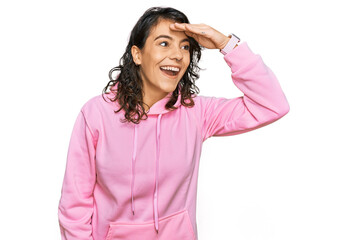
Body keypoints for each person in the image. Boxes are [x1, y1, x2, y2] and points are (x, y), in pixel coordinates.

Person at [57, 6, 290, 240]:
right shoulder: (97, 114)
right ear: (137, 55)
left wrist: (226, 44)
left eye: (185, 46)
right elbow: (74, 205)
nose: (178, 55)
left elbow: (272, 104)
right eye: (164, 43)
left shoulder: (197, 113)